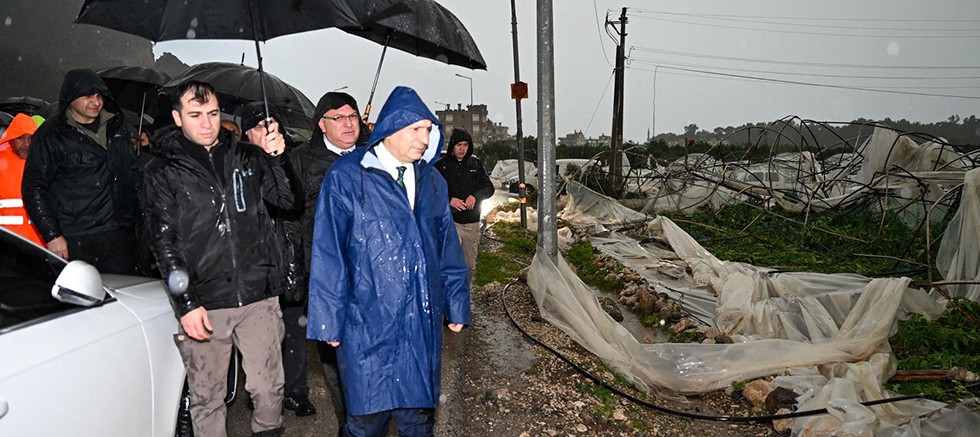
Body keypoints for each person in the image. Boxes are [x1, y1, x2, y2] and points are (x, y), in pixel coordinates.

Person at [307, 86, 471, 437]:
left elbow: (447, 249)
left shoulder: (433, 181)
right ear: (391, 128)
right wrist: (327, 320)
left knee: (418, 419)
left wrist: (456, 303)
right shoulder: (347, 176)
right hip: (365, 322)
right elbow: (329, 251)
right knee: (366, 421)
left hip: (419, 320)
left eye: (428, 130)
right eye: (416, 129)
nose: (424, 139)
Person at [143, 80, 296, 437]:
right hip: (205, 300)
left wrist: (279, 158)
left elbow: (289, 201)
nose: (207, 123)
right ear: (177, 118)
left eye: (212, 113)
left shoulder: (248, 157)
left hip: (258, 293)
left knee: (268, 389)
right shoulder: (161, 171)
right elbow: (164, 242)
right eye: (195, 115)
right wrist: (186, 303)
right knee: (207, 397)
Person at [280, 91, 366, 427]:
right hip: (324, 273)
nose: (348, 124)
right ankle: (349, 423)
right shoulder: (301, 160)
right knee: (334, 354)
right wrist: (296, 270)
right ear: (321, 124)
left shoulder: (374, 156)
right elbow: (289, 218)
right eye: (338, 118)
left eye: (352, 116)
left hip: (367, 273)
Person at [21, 68, 142, 274]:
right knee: (82, 291)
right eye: (87, 96)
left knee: (123, 290)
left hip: (121, 236)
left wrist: (144, 218)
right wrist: (52, 235)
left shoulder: (118, 127)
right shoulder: (51, 134)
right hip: (76, 237)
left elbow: (134, 174)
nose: (96, 102)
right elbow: (34, 187)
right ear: (70, 97)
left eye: (99, 96)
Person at [434, 128, 495, 280]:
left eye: (465, 145)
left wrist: (475, 197)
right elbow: (430, 191)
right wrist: (449, 200)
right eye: (459, 145)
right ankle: (448, 291)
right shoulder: (440, 166)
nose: (462, 149)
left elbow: (489, 188)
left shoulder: (475, 165)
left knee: (469, 264)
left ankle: (466, 291)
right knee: (449, 262)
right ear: (452, 146)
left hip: (471, 223)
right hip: (449, 222)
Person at [0, 113, 44, 245]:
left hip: (39, 245)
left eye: (31, 138)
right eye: (20, 138)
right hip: (5, 244)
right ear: (11, 139)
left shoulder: (45, 164)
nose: (26, 144)